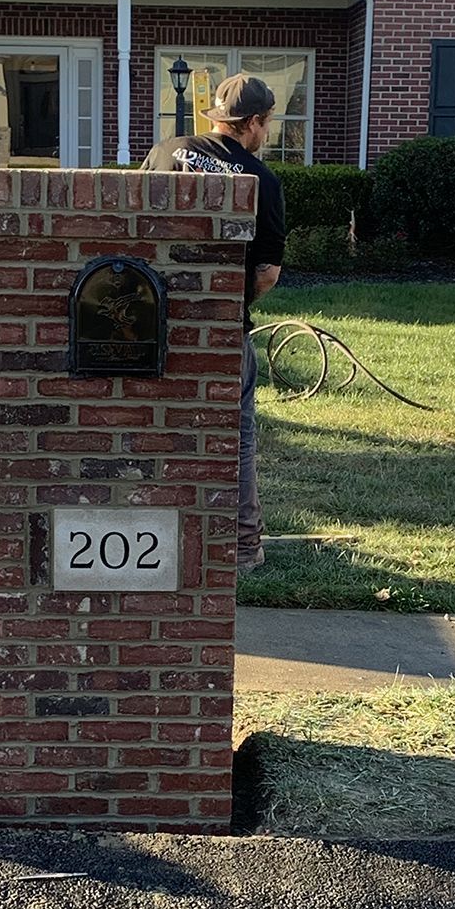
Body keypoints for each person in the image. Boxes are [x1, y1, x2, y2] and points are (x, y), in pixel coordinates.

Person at [141, 73, 286, 575]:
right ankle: (244, 549)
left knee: (153, 427)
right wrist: (231, 303)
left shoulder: (165, 151)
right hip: (221, 331)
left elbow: (131, 228)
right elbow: (267, 271)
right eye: (266, 124)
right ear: (251, 123)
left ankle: (154, 535)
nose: (266, 134)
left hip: (148, 325)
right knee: (238, 435)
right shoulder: (261, 179)